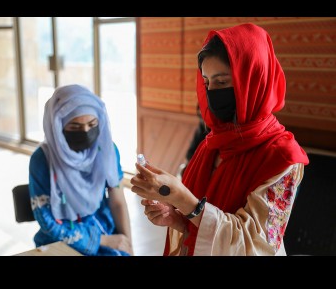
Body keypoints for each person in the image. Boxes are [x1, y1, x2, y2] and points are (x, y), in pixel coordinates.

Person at [130, 23, 309, 256]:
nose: (212, 91)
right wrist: (177, 218)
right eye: (207, 83)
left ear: (253, 81)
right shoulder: (213, 144)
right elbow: (202, 227)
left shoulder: (282, 157)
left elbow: (255, 245)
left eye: (222, 82)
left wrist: (184, 201)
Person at [29, 84, 133, 256]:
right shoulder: (42, 159)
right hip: (60, 236)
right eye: (75, 127)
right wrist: (102, 240)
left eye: (92, 124)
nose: (86, 132)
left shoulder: (106, 150)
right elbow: (47, 221)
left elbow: (118, 202)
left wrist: (128, 245)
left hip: (103, 226)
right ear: (57, 127)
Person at [177, 104, 210, 179]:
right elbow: (190, 153)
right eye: (199, 114)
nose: (201, 116)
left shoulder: (212, 129)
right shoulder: (201, 128)